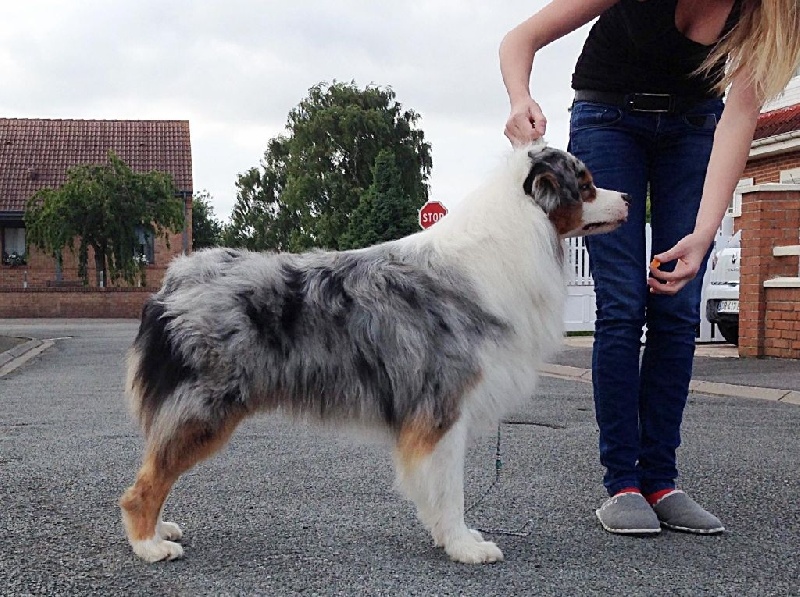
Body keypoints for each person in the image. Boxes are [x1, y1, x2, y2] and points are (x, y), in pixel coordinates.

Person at [500, 0, 800, 535]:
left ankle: (661, 481)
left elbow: (740, 115)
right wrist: (520, 98)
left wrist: (703, 235)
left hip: (694, 128)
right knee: (622, 304)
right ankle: (623, 485)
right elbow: (521, 38)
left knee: (677, 305)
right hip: (608, 120)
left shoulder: (772, 12)